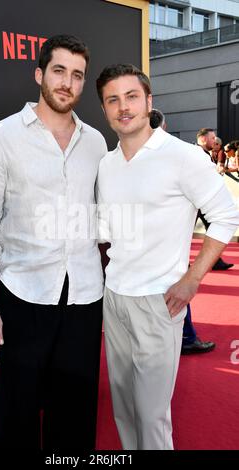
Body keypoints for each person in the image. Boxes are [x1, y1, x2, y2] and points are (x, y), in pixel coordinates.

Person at [0, 34, 107, 450]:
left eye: (78, 75)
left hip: (83, 298)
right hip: (21, 297)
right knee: (15, 417)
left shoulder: (96, 142)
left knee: (76, 419)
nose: (68, 83)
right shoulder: (2, 137)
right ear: (39, 74)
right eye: (59, 71)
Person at [96, 64, 239, 450]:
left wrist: (192, 279)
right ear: (105, 109)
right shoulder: (106, 165)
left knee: (151, 414)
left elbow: (227, 216)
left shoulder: (183, 156)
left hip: (161, 301)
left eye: (131, 96)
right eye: (113, 99)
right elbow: (107, 231)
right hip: (115, 297)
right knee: (123, 409)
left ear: (148, 101)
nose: (123, 107)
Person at [149, 109, 215, 355]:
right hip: (166, 251)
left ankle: (183, 337)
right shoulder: (182, 157)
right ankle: (186, 337)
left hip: (150, 250)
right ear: (164, 127)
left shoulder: (130, 157)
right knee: (174, 292)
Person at [196, 128, 234, 271]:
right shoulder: (196, 154)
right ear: (204, 139)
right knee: (184, 234)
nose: (215, 141)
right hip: (193, 202)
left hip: (203, 202)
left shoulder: (206, 154)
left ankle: (214, 260)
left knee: (214, 228)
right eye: (212, 138)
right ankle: (181, 264)